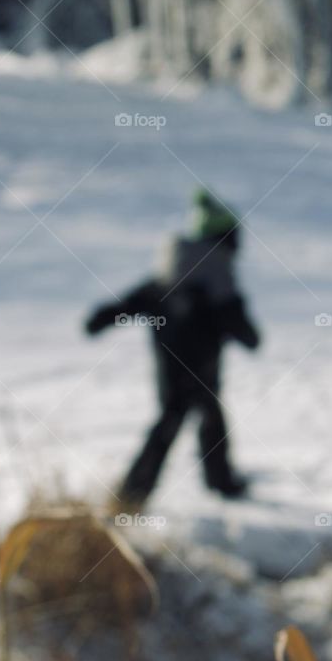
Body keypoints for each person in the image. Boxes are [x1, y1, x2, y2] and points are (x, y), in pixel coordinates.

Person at [85, 189, 261, 507]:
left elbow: (135, 302)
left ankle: (147, 490)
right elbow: (240, 326)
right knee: (189, 418)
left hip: (170, 369)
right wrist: (248, 334)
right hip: (203, 368)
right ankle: (135, 493)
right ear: (225, 238)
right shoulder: (217, 278)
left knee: (191, 417)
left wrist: (102, 319)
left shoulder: (170, 272)